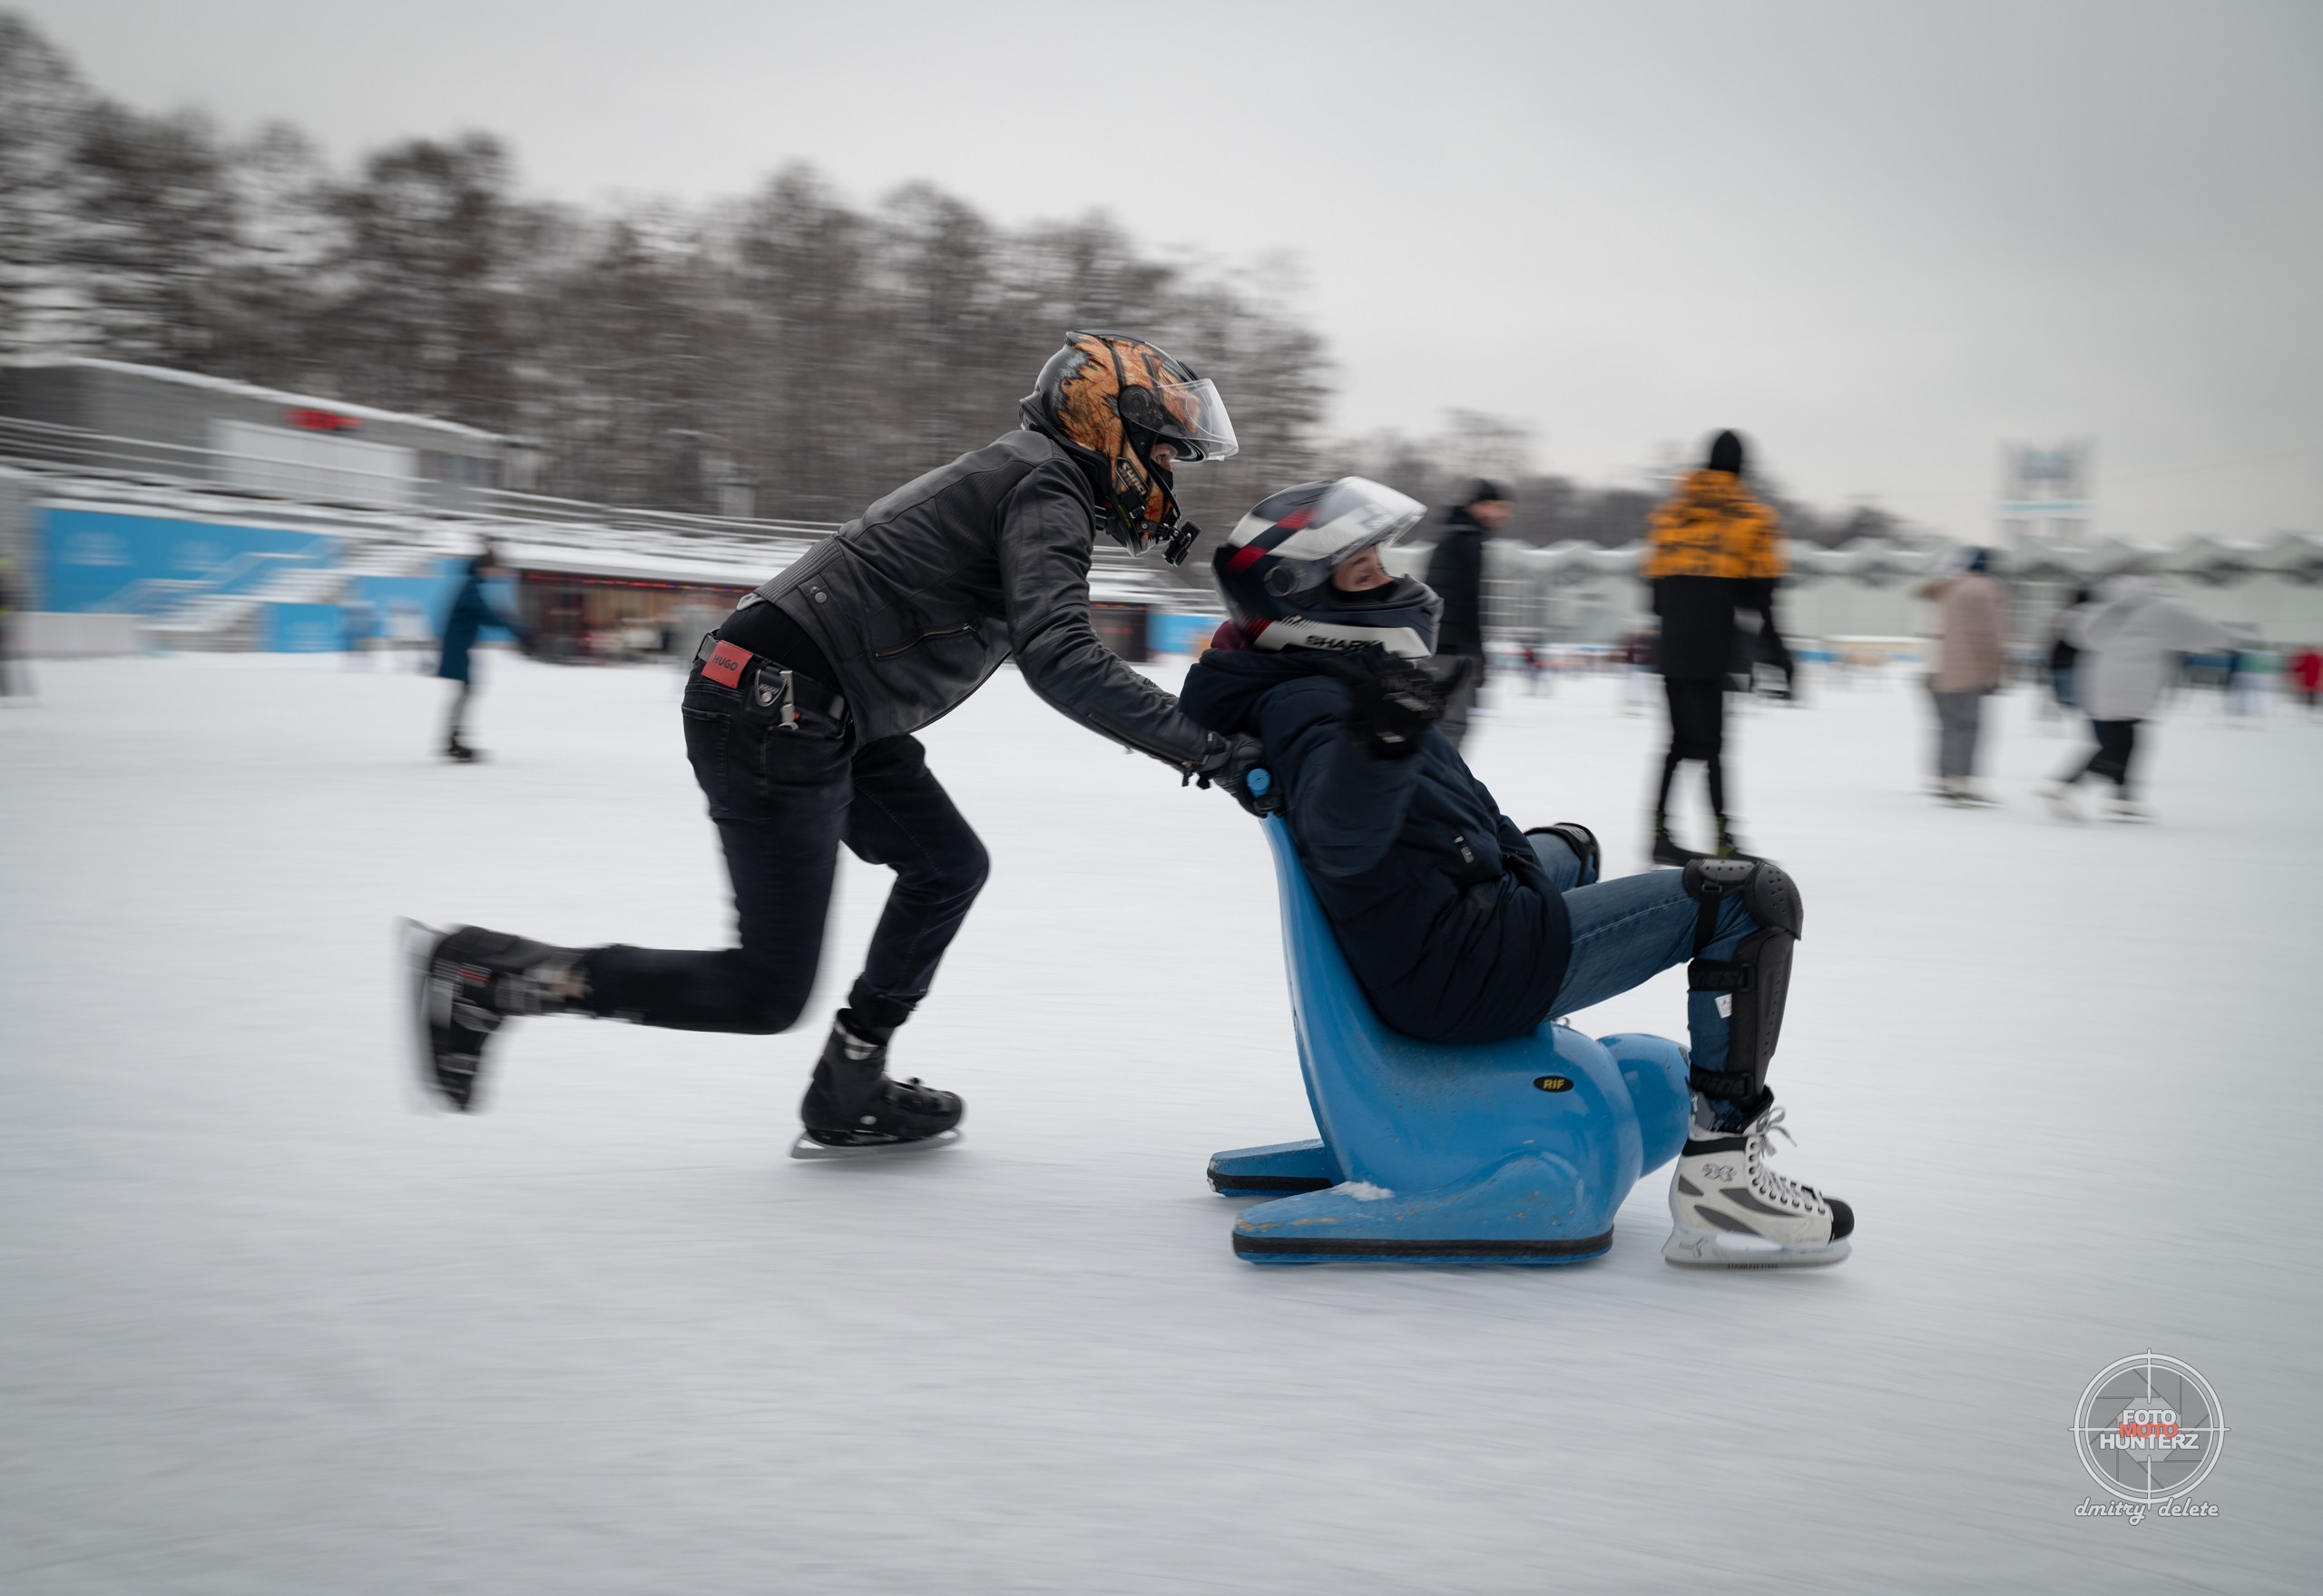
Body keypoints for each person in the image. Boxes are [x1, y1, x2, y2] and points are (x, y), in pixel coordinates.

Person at [407, 331, 1269, 1151]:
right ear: (1106, 426)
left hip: (816, 700)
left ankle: (850, 1081)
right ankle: (493, 974)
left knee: (947, 866)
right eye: (1161, 451)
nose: (1165, 477)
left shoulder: (1034, 476)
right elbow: (1062, 658)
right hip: (778, 704)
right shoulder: (1047, 488)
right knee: (765, 990)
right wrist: (1209, 750)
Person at [1181, 476, 1850, 1268]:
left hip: (1460, 930)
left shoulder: (1317, 684)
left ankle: (1564, 1086)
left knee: (1577, 844)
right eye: (1364, 573)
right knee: (1751, 898)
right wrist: (1384, 742)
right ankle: (1722, 1183)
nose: (1393, 583)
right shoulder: (1318, 708)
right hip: (1471, 964)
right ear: (1304, 603)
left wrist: (1404, 744)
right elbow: (1344, 833)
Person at [1643, 430, 1791, 865]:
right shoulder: (1751, 518)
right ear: (1742, 468)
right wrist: (1779, 652)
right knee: (1713, 747)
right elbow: (1762, 598)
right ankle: (1725, 839)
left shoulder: (1671, 516)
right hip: (1715, 645)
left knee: (1676, 743)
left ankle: (1659, 833)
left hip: (1673, 644)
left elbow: (1653, 595)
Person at [2038, 574, 2232, 822]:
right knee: (2120, 745)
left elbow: (2076, 632)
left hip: (2099, 682)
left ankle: (2123, 799)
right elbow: (2207, 632)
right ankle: (2064, 785)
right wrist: (2227, 638)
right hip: (2135, 686)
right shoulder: (2164, 609)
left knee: (2121, 740)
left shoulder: (2103, 608)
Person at [1421, 479, 1511, 750]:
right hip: (1453, 648)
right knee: (1451, 726)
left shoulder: (1452, 535)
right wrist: (1478, 653)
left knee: (1436, 723)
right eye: (1501, 507)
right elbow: (1470, 602)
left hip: (1437, 643)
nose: (1505, 515)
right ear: (1481, 506)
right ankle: (1438, 789)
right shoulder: (1467, 539)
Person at [1919, 547, 2008, 805]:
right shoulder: (1984, 589)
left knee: (1948, 727)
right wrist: (1995, 672)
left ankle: (1944, 777)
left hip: (1936, 668)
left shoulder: (1946, 588)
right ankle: (1963, 780)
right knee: (1968, 727)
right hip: (1967, 671)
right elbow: (1989, 635)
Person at [435, 547, 529, 761]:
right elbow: (484, 614)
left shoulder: (472, 586)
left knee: (466, 692)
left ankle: (454, 740)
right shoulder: (471, 588)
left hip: (458, 647)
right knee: (467, 691)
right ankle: (453, 741)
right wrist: (515, 628)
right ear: (483, 569)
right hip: (456, 648)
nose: (495, 573)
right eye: (492, 569)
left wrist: (508, 622)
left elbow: (485, 613)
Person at [2044, 586, 2090, 723]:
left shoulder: (2066, 616)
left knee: (2065, 699)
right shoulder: (2087, 618)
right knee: (2073, 704)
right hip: (2075, 664)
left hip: (2060, 662)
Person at [2290, 644, 2323, 714]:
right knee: (2310, 691)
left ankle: (2307, 702)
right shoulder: (2316, 658)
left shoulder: (2309, 658)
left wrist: (2296, 669)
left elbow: (2303, 666)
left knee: (2307, 690)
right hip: (2312, 677)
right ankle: (2311, 702)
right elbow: (2304, 666)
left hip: (2310, 677)